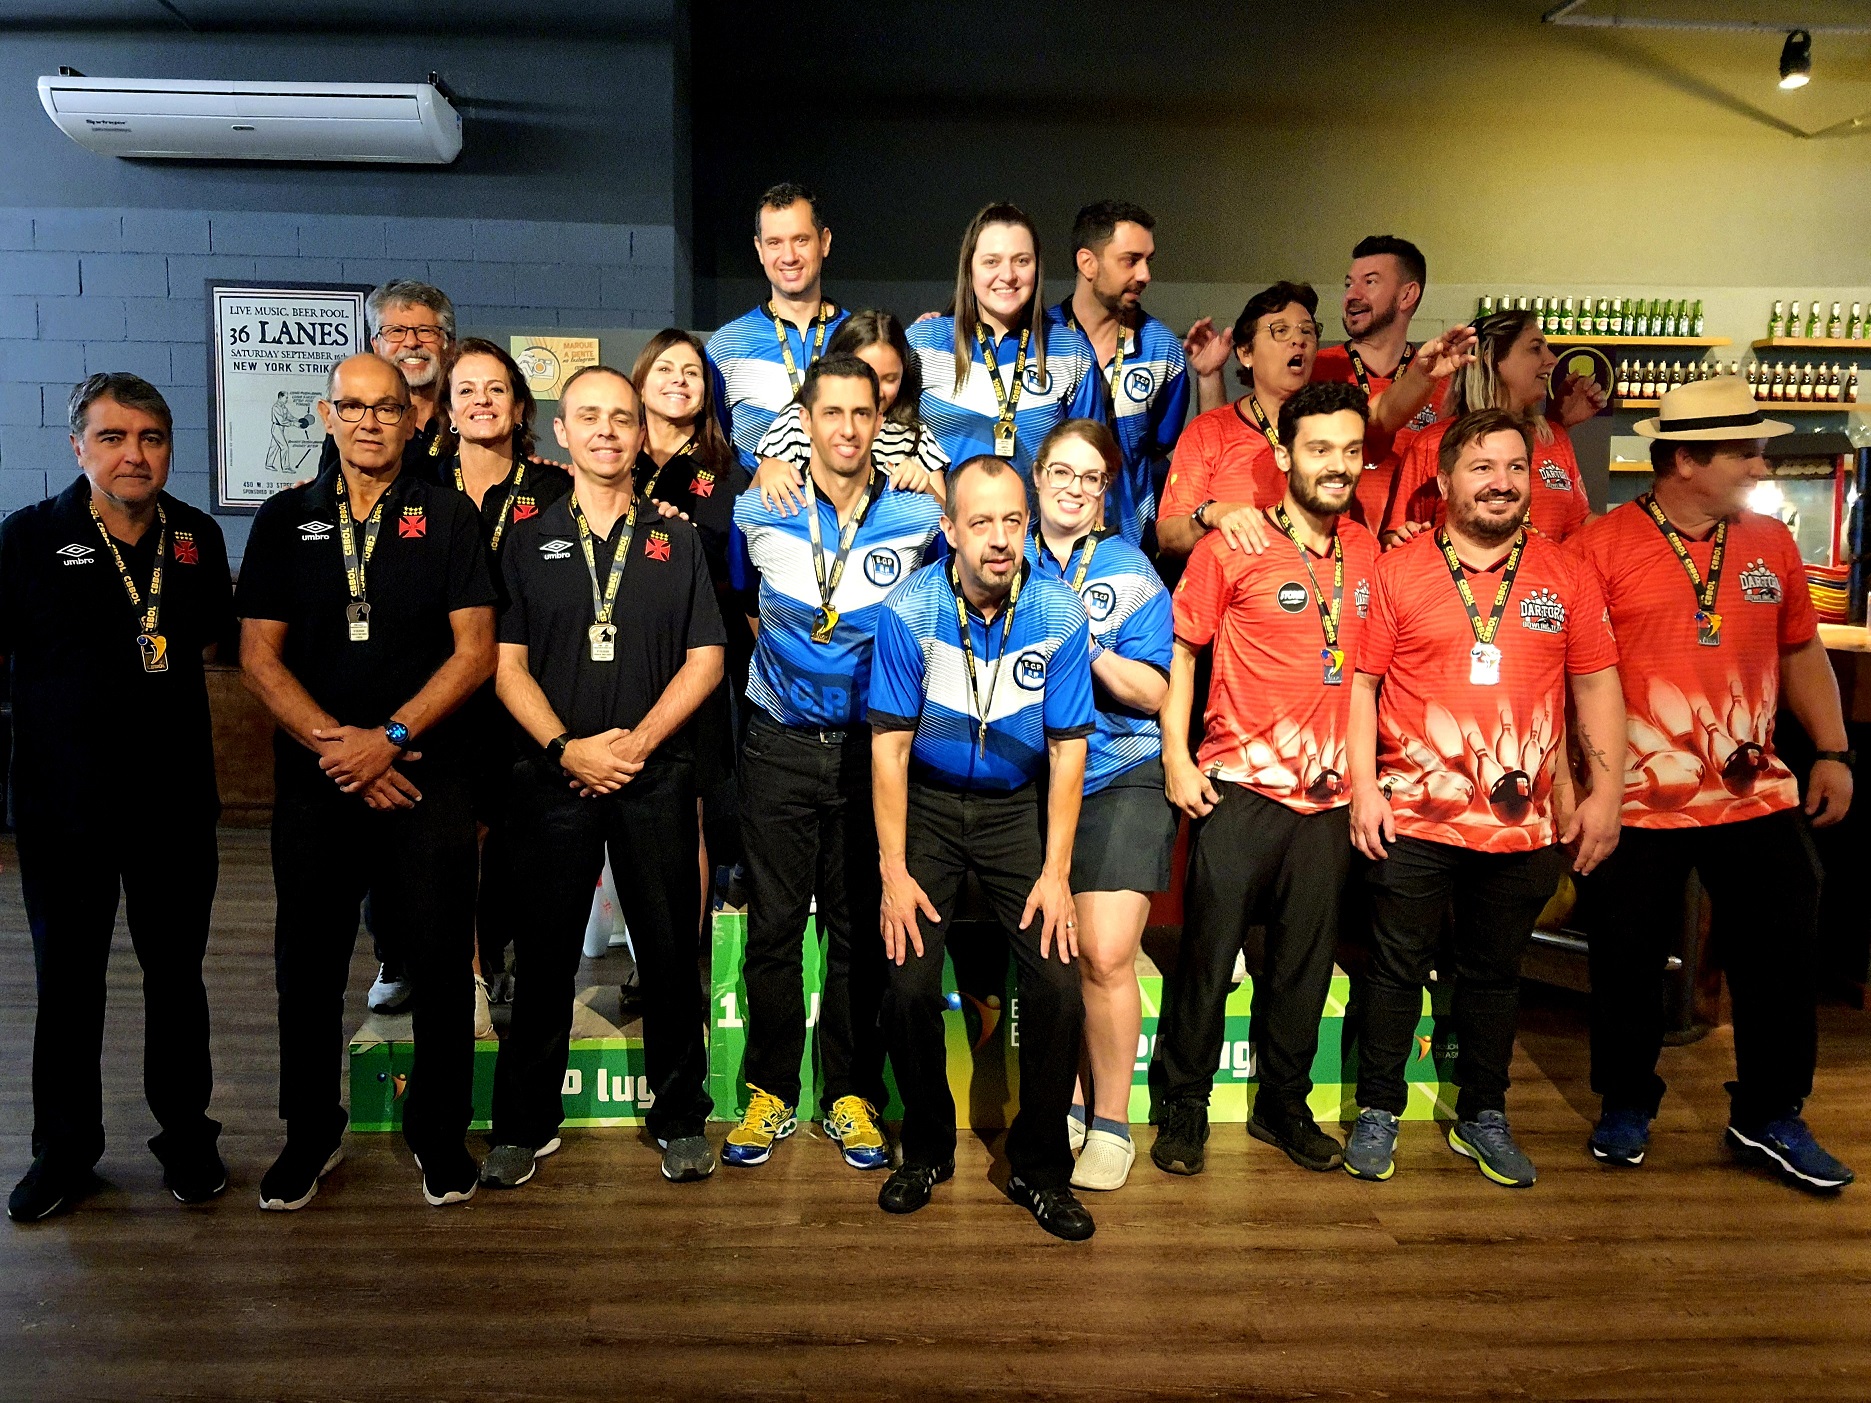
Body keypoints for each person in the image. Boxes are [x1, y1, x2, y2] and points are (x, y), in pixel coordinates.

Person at [1574, 376, 1856, 1189]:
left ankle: (1769, 1113)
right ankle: (1625, 1099)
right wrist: (1580, 786)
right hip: (1635, 794)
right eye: (1745, 452)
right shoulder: (1599, 546)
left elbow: (1800, 649)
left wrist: (1832, 750)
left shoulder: (1769, 542)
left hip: (1751, 790)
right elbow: (1574, 678)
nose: (1761, 465)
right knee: (1625, 956)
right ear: (1686, 460)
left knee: (1781, 947)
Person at [239, 353, 496, 1211]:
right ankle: (309, 1134)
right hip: (319, 781)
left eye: (387, 407)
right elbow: (257, 657)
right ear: (326, 414)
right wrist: (340, 750)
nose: (369, 421)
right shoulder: (284, 519)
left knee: (440, 962)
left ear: (413, 419)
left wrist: (387, 740)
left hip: (425, 775)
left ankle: (439, 1133)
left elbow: (474, 652)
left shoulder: (448, 514)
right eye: (352, 407)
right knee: (307, 965)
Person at [1345, 408, 1626, 1189]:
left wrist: (1605, 791)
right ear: (1443, 482)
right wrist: (1364, 787)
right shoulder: (1397, 570)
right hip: (1412, 812)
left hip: (1522, 823)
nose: (1501, 483)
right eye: (1481, 467)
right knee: (1395, 967)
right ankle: (1377, 1108)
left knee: (1495, 973)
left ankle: (1483, 1112)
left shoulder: (1566, 572)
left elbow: (1595, 684)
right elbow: (1361, 686)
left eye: (1514, 468)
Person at [482, 366, 725, 1189]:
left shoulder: (676, 539)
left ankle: (679, 1117)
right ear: (560, 432)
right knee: (544, 956)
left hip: (655, 775)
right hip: (554, 777)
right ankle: (524, 1124)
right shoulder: (526, 540)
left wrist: (636, 745)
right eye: (589, 416)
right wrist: (568, 749)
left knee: (668, 955)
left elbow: (705, 659)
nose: (607, 431)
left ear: (640, 434)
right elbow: (505, 665)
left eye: (622, 418)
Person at [2, 374, 234, 1223]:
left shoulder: (197, 537)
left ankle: (187, 1136)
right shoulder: (29, 537)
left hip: (174, 805)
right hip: (65, 809)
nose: (134, 454)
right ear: (78, 447)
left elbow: (213, 643)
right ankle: (64, 1150)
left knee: (176, 978)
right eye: (112, 437)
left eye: (151, 437)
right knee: (68, 982)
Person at [1149, 381, 1380, 1179]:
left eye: (1350, 450)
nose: (1336, 465)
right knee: (1206, 960)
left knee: (1303, 967)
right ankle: (1183, 1103)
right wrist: (1175, 755)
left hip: (1327, 797)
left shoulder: (1367, 551)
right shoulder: (1231, 545)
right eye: (1318, 449)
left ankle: (1282, 1103)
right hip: (1239, 788)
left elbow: (1365, 676)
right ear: (1284, 454)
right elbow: (1182, 650)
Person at [723, 353, 944, 1172]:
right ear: (805, 420)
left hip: (869, 753)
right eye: (831, 413)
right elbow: (742, 602)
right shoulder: (758, 505)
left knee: (857, 930)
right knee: (774, 929)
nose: (847, 429)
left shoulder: (918, 513)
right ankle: (770, 1091)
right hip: (777, 743)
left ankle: (850, 1093)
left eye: (861, 413)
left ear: (879, 423)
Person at [868, 454, 1097, 1241]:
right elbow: (890, 748)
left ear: (1026, 526)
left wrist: (1056, 872)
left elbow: (1068, 748)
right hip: (929, 806)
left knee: (1059, 986)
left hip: (1015, 810)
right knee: (905, 984)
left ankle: (1039, 1169)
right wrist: (893, 872)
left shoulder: (1060, 612)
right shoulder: (909, 609)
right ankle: (926, 1150)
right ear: (949, 530)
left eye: (1011, 520)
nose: (998, 538)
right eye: (980, 522)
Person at [1021, 419, 1174, 1192]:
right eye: (1062, 473)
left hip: (1117, 771)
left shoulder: (1128, 570)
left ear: (1105, 491)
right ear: (1037, 477)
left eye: (1091, 478)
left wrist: (1087, 646)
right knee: (1059, 956)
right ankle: (1072, 1101)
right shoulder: (1003, 552)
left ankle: (1112, 1120)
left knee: (1107, 953)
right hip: (1027, 780)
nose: (1075, 489)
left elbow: (1154, 691)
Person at [314, 278, 462, 1017]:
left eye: (423, 330)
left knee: (460, 842)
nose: (410, 342)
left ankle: (476, 959)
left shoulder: (469, 416)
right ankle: (394, 954)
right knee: (378, 844)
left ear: (446, 342)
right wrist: (369, 745)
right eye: (395, 331)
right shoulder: (343, 441)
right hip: (368, 685)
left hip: (456, 664)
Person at [436, 339, 572, 1029]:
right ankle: (458, 971)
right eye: (466, 389)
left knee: (519, 837)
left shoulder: (553, 488)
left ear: (519, 407)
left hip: (523, 685)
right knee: (454, 837)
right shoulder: (420, 485)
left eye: (496, 389)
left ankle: (506, 957)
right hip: (444, 687)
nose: (481, 401)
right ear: (447, 408)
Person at [632, 328, 751, 916]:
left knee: (689, 810)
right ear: (641, 381)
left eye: (692, 373)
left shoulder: (728, 472)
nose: (679, 381)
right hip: (619, 654)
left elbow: (743, 580)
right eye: (665, 369)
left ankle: (680, 953)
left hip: (696, 659)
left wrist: (685, 543)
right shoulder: (612, 459)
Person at [906, 203, 1103, 489]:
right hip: (941, 519)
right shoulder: (922, 343)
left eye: (1022, 261)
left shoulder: (1071, 352)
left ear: (1037, 267)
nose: (1008, 275)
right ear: (969, 268)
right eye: (991, 262)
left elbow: (1090, 463)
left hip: (1033, 519)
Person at [1381, 308, 1605, 547]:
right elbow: (1396, 537)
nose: (1552, 359)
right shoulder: (1433, 443)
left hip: (1542, 570)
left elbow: (1578, 528)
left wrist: (1631, 525)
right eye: (1535, 348)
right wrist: (1401, 538)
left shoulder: (1553, 437)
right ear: (1490, 358)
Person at [1045, 201, 1189, 550]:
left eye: (1148, 260)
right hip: (1042, 547)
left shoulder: (1162, 349)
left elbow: (1158, 448)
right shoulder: (1038, 341)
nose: (1145, 275)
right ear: (1087, 263)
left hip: (1130, 547)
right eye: (1131, 260)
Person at [1310, 236, 1472, 530]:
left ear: (1407, 295)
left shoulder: (1446, 378)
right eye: (1348, 284)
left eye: (1369, 282)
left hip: (1419, 547)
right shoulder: (1315, 369)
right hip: (1332, 545)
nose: (1352, 295)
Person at [1155, 283, 1321, 561]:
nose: (1298, 340)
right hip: (1235, 580)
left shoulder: (1335, 428)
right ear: (1246, 354)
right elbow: (1168, 537)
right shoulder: (1207, 431)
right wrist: (1211, 513)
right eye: (1280, 331)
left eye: (1307, 330)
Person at [706, 183, 849, 471]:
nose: (789, 256)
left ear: (824, 242)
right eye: (774, 243)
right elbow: (712, 453)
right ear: (759, 249)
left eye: (800, 240)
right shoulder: (727, 346)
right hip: (760, 500)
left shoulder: (858, 338)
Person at [749, 309, 950, 508]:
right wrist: (767, 470)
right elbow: (749, 509)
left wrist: (923, 486)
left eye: (890, 379)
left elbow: (948, 520)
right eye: (867, 375)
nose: (877, 391)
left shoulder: (915, 437)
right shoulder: (796, 424)